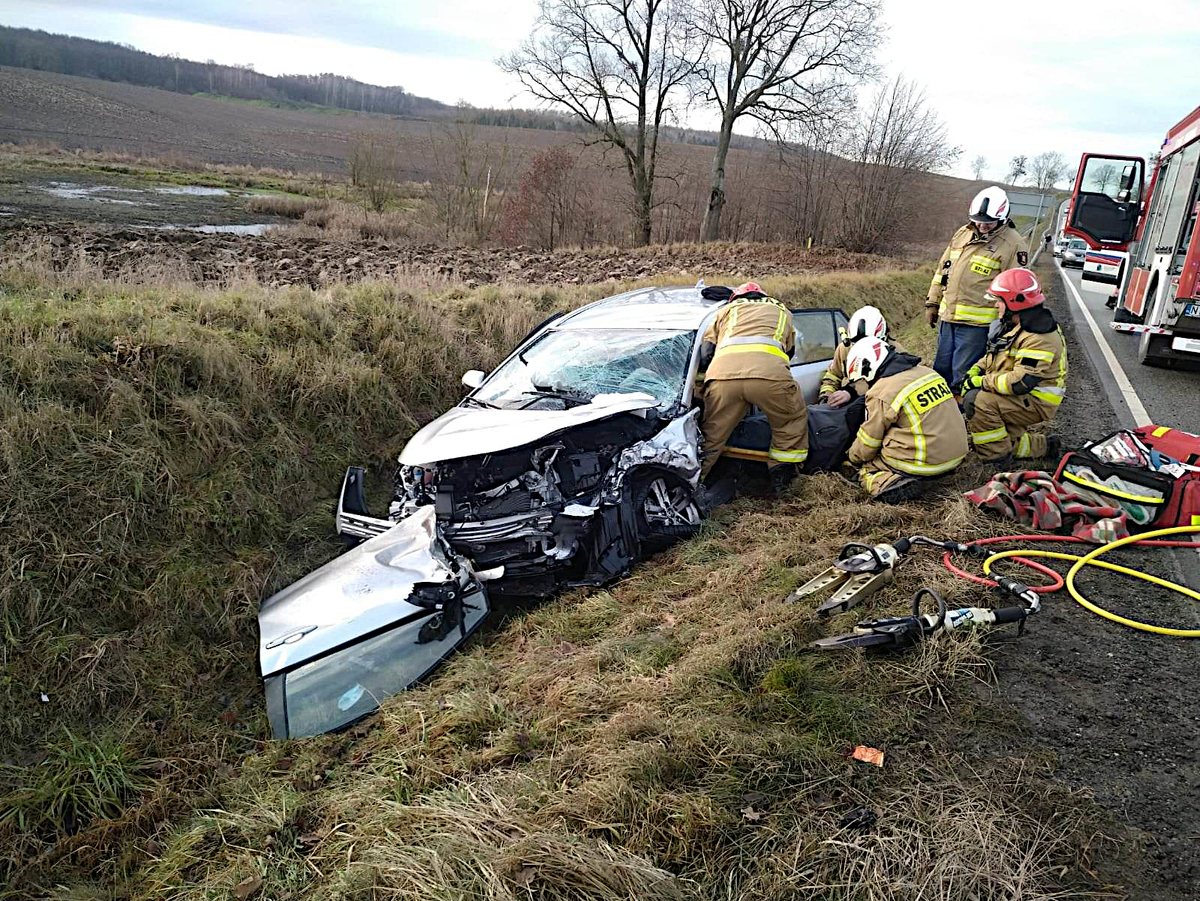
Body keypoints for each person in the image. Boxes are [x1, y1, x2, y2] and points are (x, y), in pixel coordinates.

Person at [699, 281, 808, 494]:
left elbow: (705, 354)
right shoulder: (782, 310)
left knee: (712, 435)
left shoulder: (726, 311)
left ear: (736, 298)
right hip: (769, 376)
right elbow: (791, 351)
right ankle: (782, 483)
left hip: (723, 377)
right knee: (790, 423)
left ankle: (693, 484)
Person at [843, 337, 968, 503]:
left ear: (867, 370)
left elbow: (869, 443)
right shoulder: (927, 372)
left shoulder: (881, 392)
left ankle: (887, 484)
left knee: (867, 468)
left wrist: (851, 457)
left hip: (924, 464)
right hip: (956, 456)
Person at [961, 268, 1066, 463]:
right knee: (1003, 436)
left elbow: (1021, 382)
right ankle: (1044, 446)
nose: (996, 305)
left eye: (999, 301)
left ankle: (997, 457)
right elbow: (997, 356)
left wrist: (980, 381)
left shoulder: (1039, 337)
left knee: (978, 401)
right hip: (1022, 397)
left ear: (1013, 303)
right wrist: (977, 368)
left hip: (1035, 401)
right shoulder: (1018, 324)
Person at [926, 186, 1026, 388]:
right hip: (948, 318)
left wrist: (1007, 323)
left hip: (977, 326)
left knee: (961, 374)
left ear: (1003, 218)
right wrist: (932, 302)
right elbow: (942, 271)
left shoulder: (1013, 244)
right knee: (940, 370)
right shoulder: (963, 233)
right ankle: (939, 412)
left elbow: (1017, 288)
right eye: (978, 221)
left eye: (988, 223)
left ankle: (960, 414)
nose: (982, 226)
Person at [817, 305, 888, 409]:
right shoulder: (845, 348)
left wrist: (850, 393)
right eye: (857, 345)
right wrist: (826, 396)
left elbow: (888, 386)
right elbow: (833, 376)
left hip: (877, 406)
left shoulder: (894, 352)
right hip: (847, 407)